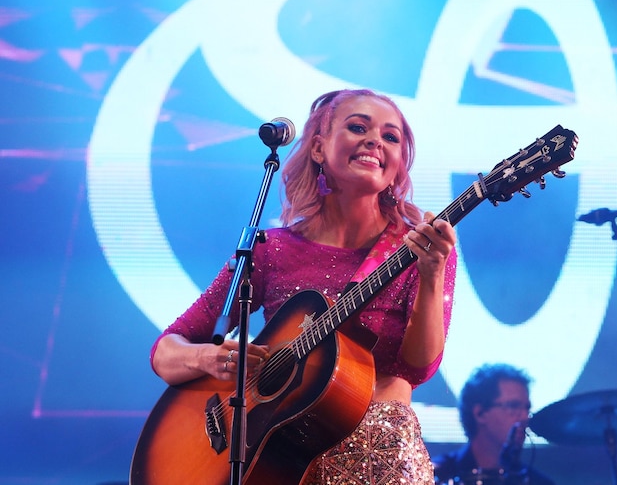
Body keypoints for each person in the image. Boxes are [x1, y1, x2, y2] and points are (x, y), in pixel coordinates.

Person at [150, 89, 458, 484]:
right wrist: (207, 360)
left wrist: (432, 274)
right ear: (317, 148)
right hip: (274, 458)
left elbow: (418, 367)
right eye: (358, 127)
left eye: (391, 136)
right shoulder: (271, 250)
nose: (374, 141)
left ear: (398, 166)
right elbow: (167, 349)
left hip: (380, 457)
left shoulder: (421, 248)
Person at [433, 363, 555, 485]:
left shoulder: (539, 482)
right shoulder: (436, 475)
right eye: (513, 406)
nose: (525, 417)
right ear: (480, 413)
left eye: (527, 408)